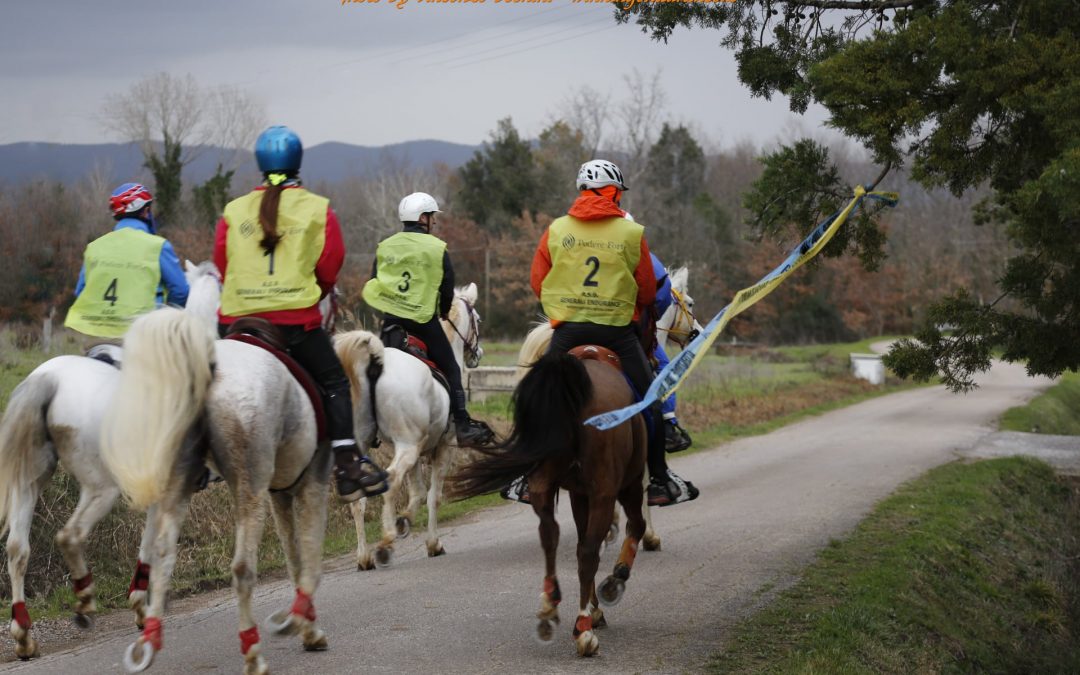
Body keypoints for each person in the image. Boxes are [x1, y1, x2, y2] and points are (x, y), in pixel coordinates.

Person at [214, 125, 388, 503]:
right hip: (294, 323)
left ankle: (196, 457)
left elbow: (222, 265)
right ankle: (346, 462)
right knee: (336, 384)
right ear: (297, 162)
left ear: (261, 164)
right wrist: (314, 294)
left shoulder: (233, 210)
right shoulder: (317, 208)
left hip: (237, 321)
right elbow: (329, 267)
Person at [518, 159, 698, 507]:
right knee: (651, 402)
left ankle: (528, 477)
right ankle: (659, 479)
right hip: (617, 333)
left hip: (569, 332)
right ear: (612, 191)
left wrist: (567, 305)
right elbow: (647, 291)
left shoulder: (556, 230)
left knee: (537, 397)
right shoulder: (631, 233)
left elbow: (538, 282)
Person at [362, 192, 494, 446]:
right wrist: (445, 310)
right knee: (453, 369)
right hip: (423, 322)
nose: (434, 222)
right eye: (432, 217)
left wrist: (388, 310)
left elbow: (375, 282)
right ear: (423, 218)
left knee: (373, 371)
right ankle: (463, 425)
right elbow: (447, 287)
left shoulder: (385, 245)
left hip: (391, 322)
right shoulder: (437, 248)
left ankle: (369, 428)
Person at [65, 183, 190, 338]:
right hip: (143, 333)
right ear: (145, 211)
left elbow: (81, 291)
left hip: (96, 332)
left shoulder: (94, 247)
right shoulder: (159, 246)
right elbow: (181, 291)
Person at [649, 253, 693, 453]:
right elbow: (663, 292)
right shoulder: (633, 245)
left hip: (574, 324)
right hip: (620, 328)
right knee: (665, 369)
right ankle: (668, 425)